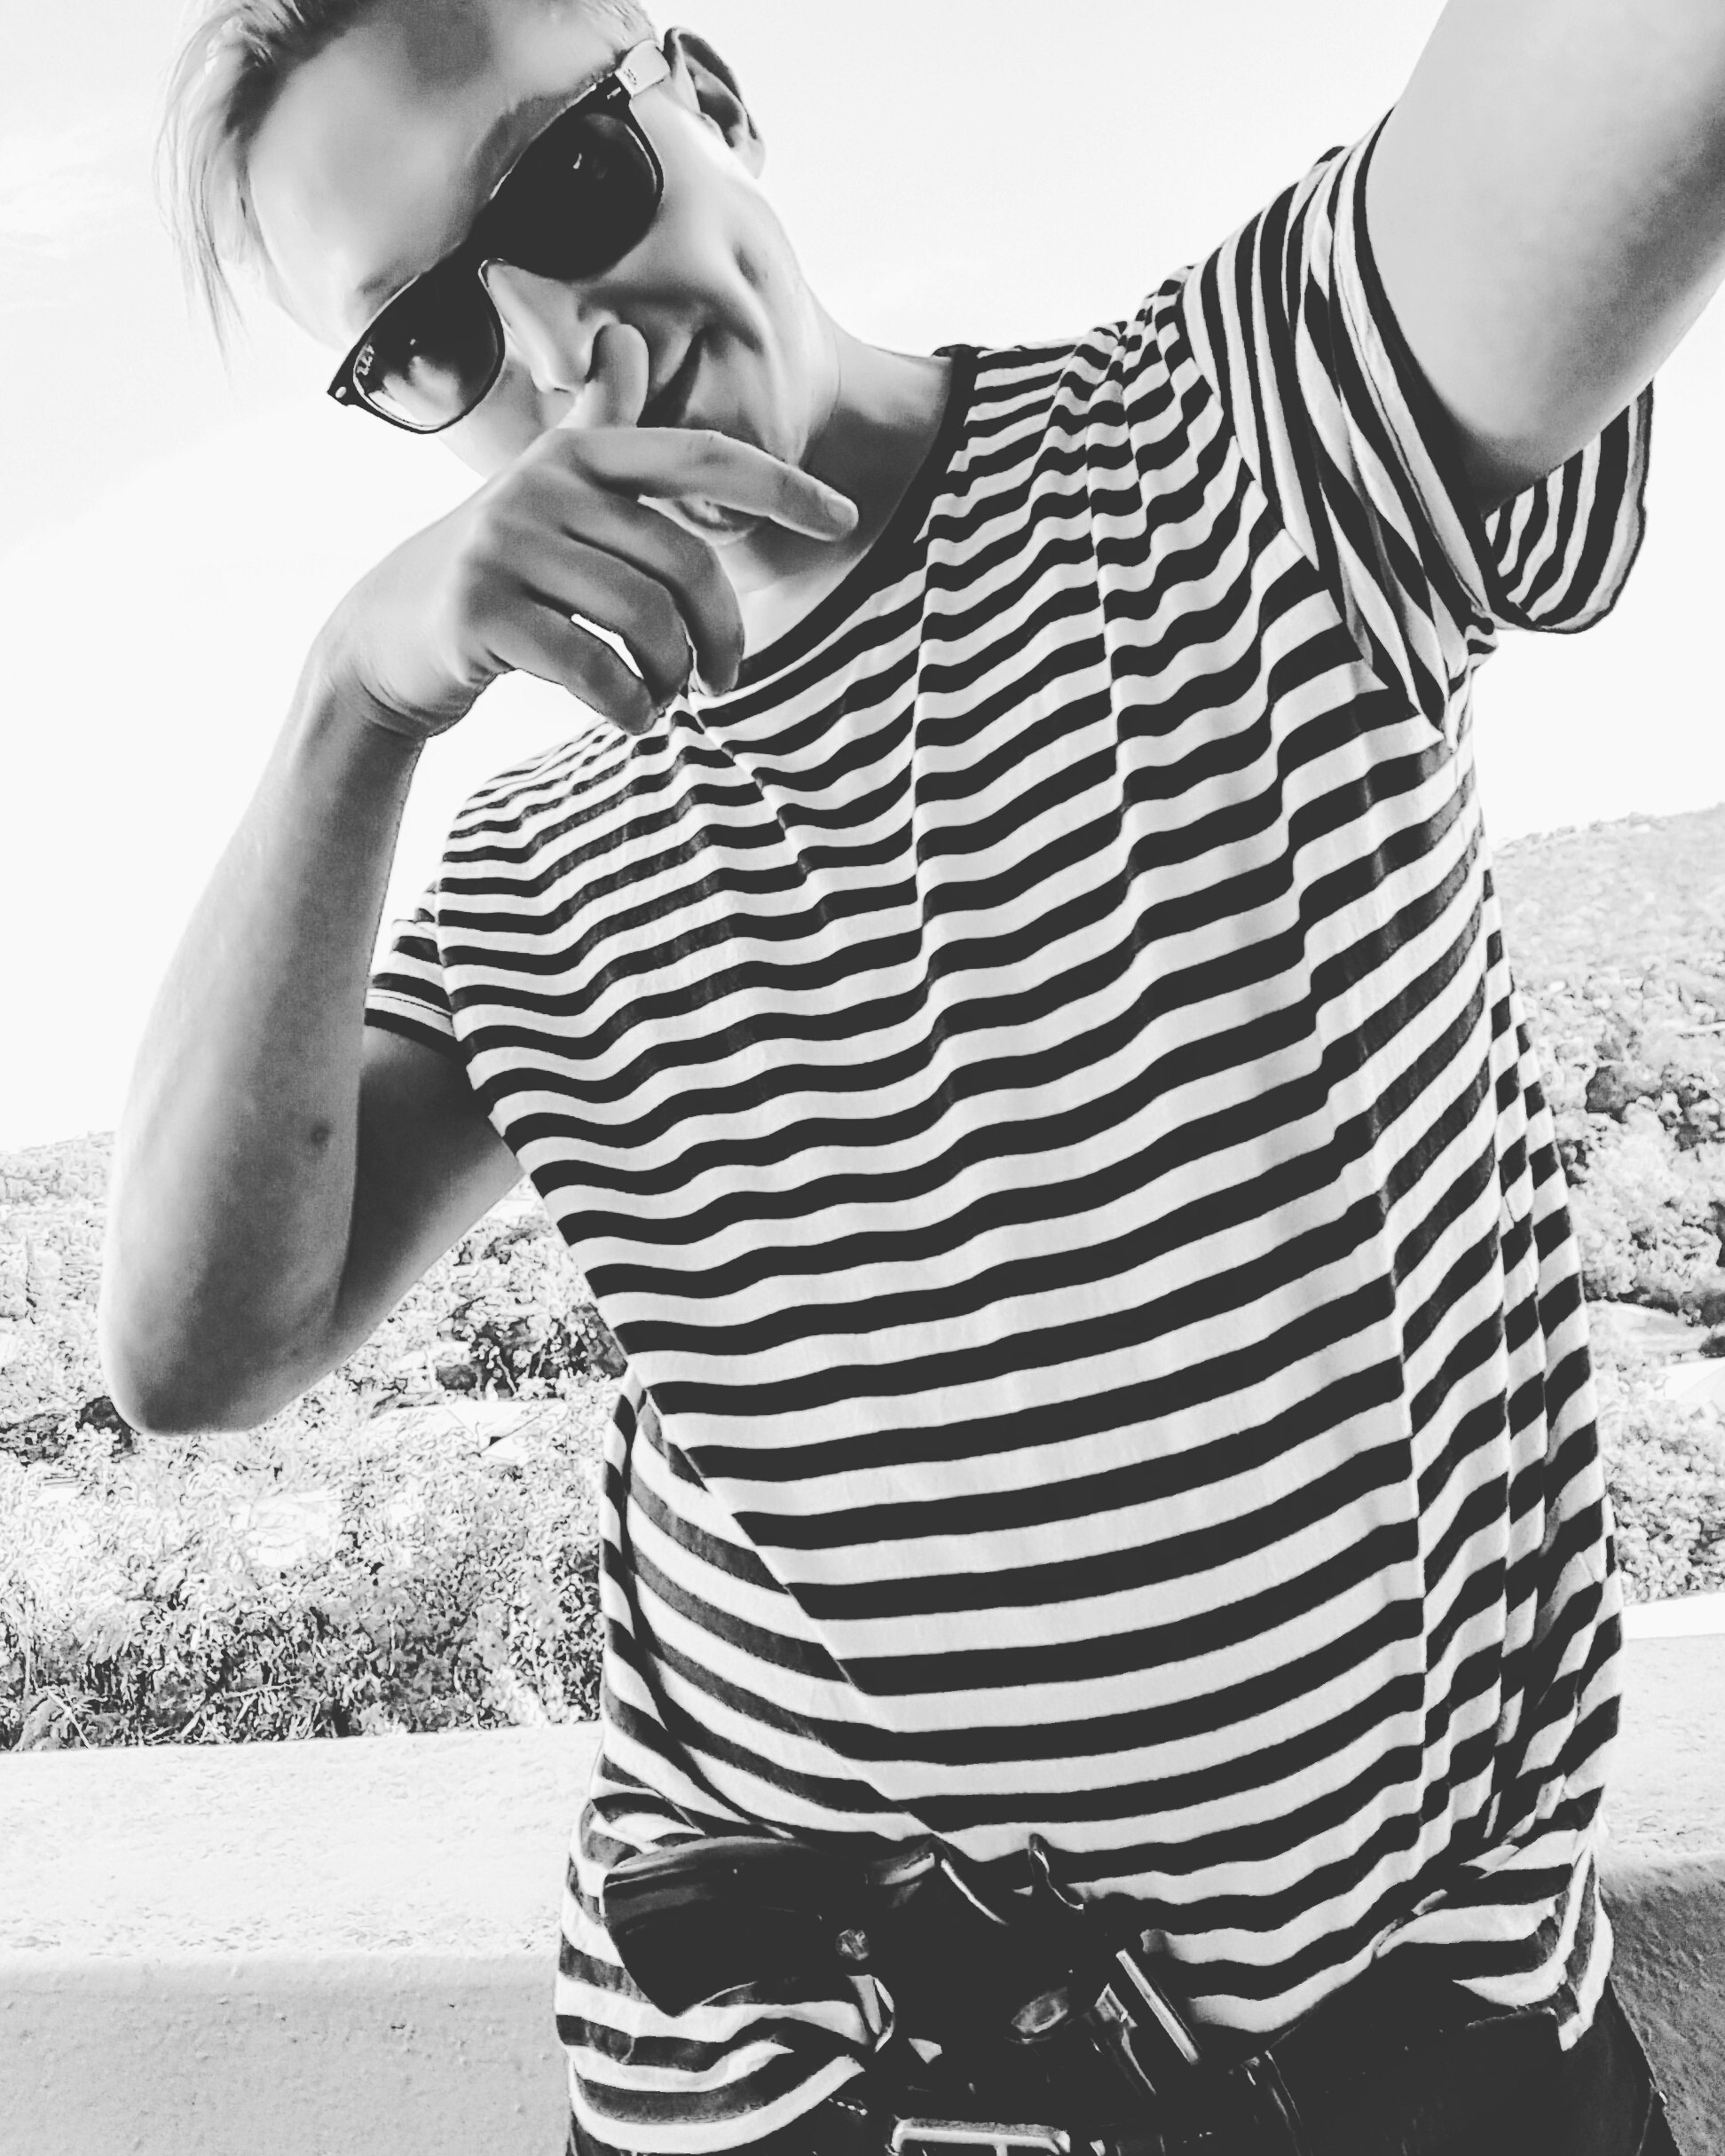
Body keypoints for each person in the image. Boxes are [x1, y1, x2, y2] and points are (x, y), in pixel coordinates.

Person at [103, 0, 1717, 2148]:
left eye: (565, 183)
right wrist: (351, 706)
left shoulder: (1248, 439)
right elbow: (197, 1351)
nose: (559, 347)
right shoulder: (526, 868)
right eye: (421, 340)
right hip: (795, 2085)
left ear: (708, 96)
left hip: (1411, 2064)